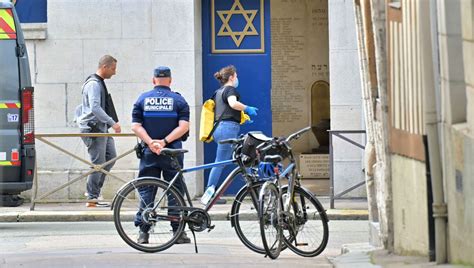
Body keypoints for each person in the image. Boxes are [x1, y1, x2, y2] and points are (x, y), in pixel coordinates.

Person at [131, 66, 191, 244]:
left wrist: (151, 142)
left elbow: (135, 126)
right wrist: (164, 142)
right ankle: (178, 232)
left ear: (153, 80)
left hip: (150, 152)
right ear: (170, 81)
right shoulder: (179, 101)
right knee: (175, 191)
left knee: (147, 189)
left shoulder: (142, 99)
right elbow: (184, 127)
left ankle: (143, 232)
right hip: (172, 152)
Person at [201, 65, 258, 205]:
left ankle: (253, 190)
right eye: (236, 76)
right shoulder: (230, 89)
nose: (237, 78)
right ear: (232, 77)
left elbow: (223, 110)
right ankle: (210, 194)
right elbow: (233, 104)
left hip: (219, 129)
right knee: (226, 161)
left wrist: (241, 118)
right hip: (228, 129)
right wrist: (247, 108)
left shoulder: (218, 92)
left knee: (240, 156)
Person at [76, 55, 121, 208]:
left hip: (101, 128)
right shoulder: (94, 84)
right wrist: (112, 123)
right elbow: (95, 108)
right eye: (113, 69)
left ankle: (94, 193)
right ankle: (92, 197)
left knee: (111, 157)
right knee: (98, 163)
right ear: (105, 67)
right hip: (94, 128)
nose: (114, 72)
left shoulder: (98, 83)